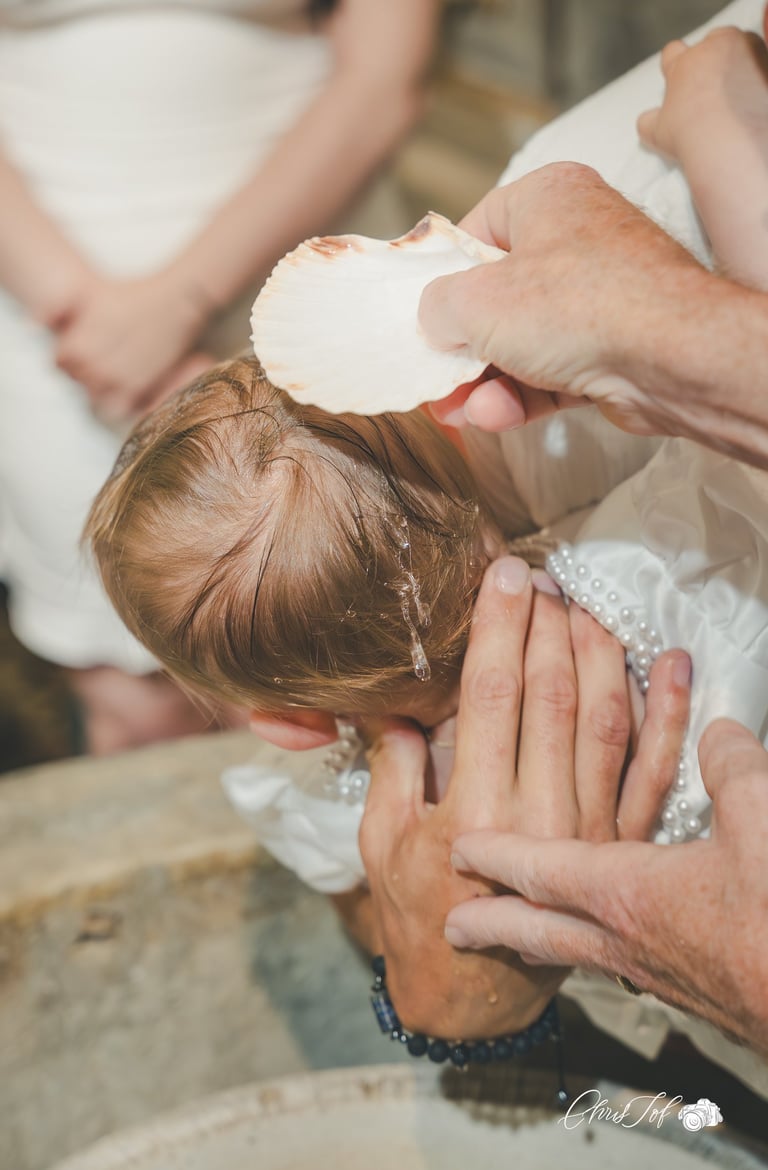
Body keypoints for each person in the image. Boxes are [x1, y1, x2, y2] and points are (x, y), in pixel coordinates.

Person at [0, 0, 437, 753]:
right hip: (47, 309)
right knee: (132, 703)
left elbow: (381, 77)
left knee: (334, 672)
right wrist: (78, 314)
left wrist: (178, 307)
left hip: (304, 287)